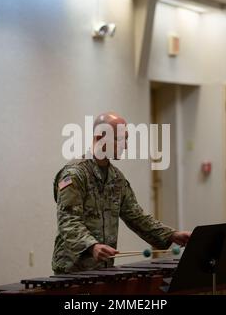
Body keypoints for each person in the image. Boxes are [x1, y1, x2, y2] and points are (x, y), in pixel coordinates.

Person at [52, 111, 191, 274]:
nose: (125, 145)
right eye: (119, 139)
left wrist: (171, 235)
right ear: (99, 138)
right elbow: (68, 220)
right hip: (72, 270)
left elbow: (136, 216)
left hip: (103, 268)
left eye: (126, 139)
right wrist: (92, 246)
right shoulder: (74, 174)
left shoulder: (116, 178)